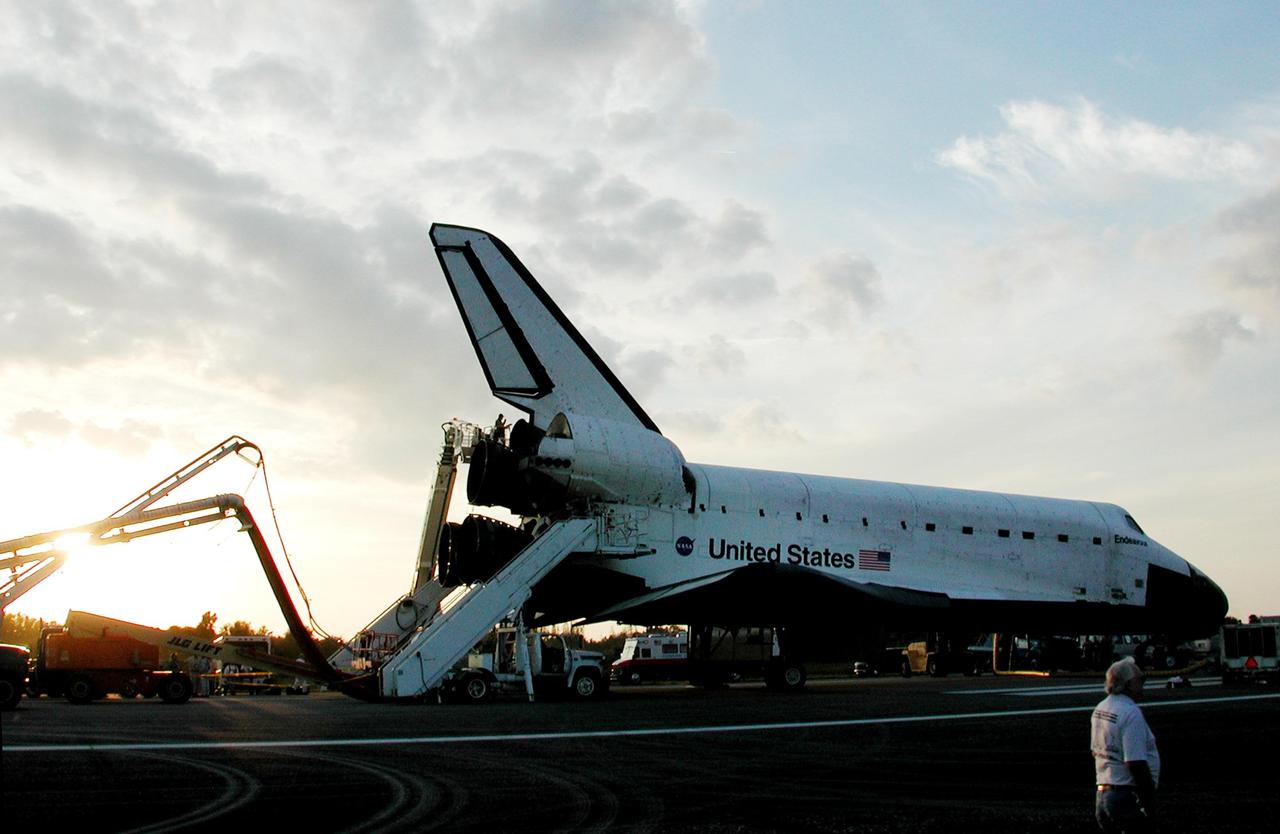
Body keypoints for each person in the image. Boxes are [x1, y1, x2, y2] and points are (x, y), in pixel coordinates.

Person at [1091, 657, 1160, 832]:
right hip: (1125, 796)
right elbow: (1135, 763)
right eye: (1140, 680)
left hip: (1103, 794)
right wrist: (1149, 804)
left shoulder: (1101, 708)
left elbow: (1095, 750)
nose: (1143, 684)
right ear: (1128, 684)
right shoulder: (1130, 713)